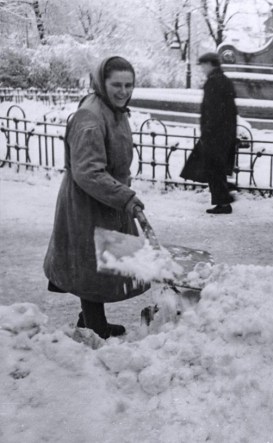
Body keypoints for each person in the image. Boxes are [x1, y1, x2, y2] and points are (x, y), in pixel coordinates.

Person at [43, 56, 149, 339]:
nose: (123, 91)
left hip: (106, 198)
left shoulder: (113, 109)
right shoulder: (91, 117)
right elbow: (88, 171)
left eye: (129, 85)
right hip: (88, 202)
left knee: (100, 260)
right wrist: (125, 197)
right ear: (102, 82)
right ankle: (93, 324)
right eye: (117, 84)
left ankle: (89, 316)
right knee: (91, 263)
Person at [198, 52, 238, 214]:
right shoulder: (225, 80)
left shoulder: (213, 82)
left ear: (210, 64)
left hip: (215, 133)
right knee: (218, 167)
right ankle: (225, 195)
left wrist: (207, 130)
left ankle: (223, 202)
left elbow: (212, 110)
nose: (201, 68)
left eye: (203, 65)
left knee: (214, 167)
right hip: (225, 132)